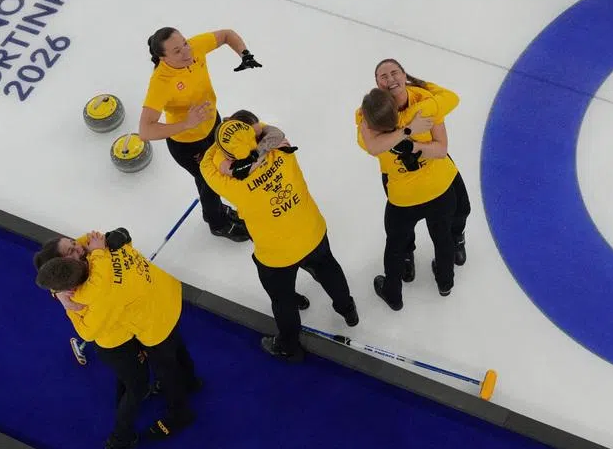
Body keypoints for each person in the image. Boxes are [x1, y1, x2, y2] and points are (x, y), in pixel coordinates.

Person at [200, 109, 359, 362]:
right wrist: (248, 138)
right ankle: (347, 310)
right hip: (311, 231)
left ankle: (289, 346)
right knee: (328, 268)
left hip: (276, 255)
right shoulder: (282, 150)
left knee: (282, 299)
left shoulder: (232, 185)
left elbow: (206, 163)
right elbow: (269, 130)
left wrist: (224, 142)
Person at [34, 229, 198, 449]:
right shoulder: (102, 249)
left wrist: (65, 302)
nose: (79, 246)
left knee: (165, 368)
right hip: (164, 293)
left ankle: (180, 413)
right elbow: (119, 234)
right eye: (72, 250)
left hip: (155, 321)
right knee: (175, 347)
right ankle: (191, 381)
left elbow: (88, 332)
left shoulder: (92, 294)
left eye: (74, 244)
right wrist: (60, 289)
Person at [138, 26, 262, 242]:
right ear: (162, 57)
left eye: (184, 43)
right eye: (177, 51)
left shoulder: (194, 48)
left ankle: (219, 212)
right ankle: (217, 223)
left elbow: (226, 35)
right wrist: (187, 123)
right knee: (209, 183)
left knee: (218, 174)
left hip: (212, 125)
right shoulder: (161, 83)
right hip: (188, 145)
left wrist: (245, 53)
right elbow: (145, 130)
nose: (186, 52)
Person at [356, 87, 460, 310]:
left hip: (404, 200)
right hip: (438, 191)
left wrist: (367, 115)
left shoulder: (371, 136)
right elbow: (450, 99)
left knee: (394, 246)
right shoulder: (421, 113)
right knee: (443, 237)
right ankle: (445, 282)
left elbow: (370, 141)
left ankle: (393, 294)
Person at [371, 58, 471, 279]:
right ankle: (408, 255)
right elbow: (450, 98)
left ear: (405, 75)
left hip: (438, 169)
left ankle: (456, 238)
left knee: (461, 207)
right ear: (378, 85)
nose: (390, 79)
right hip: (399, 176)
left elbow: (442, 147)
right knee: (402, 225)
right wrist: (409, 130)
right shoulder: (375, 113)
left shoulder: (424, 100)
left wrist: (414, 145)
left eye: (395, 73)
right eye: (383, 76)